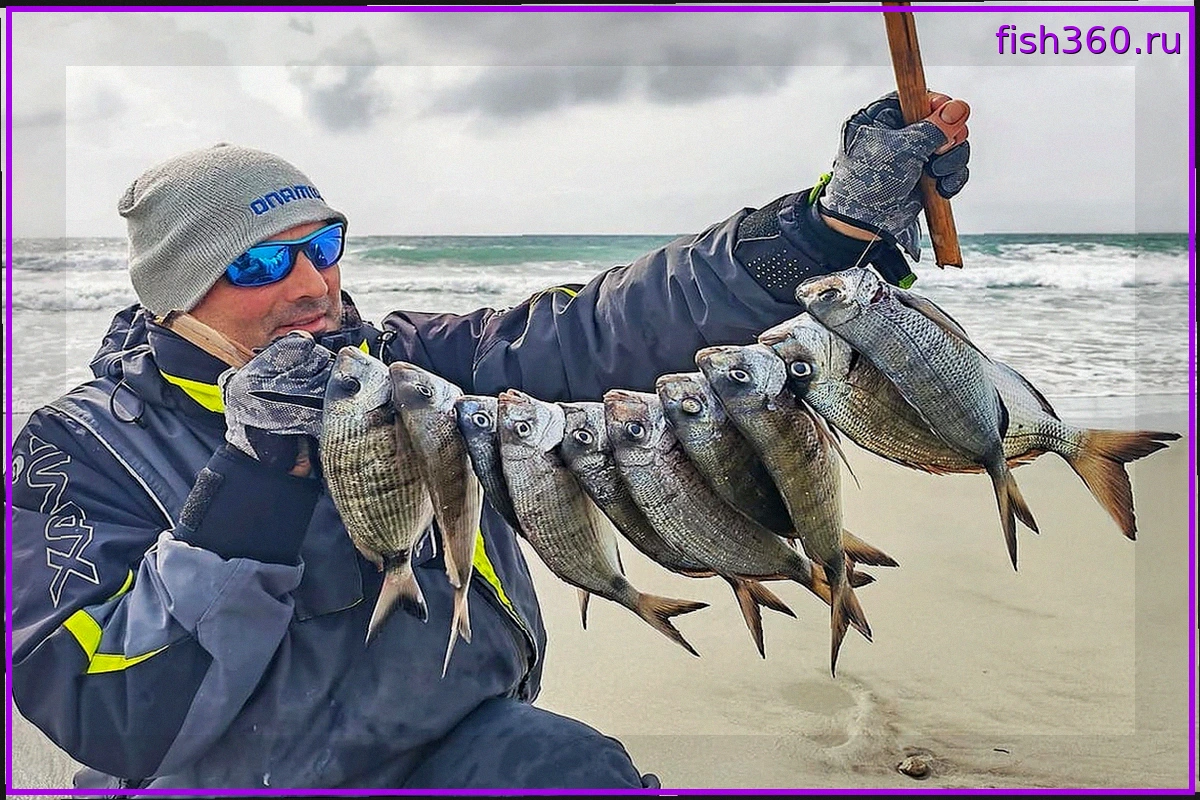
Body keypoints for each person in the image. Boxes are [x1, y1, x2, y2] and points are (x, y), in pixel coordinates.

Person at [10, 92, 970, 790]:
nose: (312, 284)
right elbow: (108, 716)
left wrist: (819, 228)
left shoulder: (410, 368)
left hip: (460, 747)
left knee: (571, 768)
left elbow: (600, 327)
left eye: (325, 244)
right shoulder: (74, 448)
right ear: (177, 293)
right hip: (233, 782)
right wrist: (258, 471)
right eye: (261, 261)